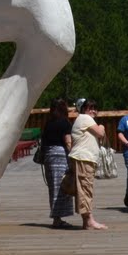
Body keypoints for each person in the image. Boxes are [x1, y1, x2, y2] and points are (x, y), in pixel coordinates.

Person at [67, 100, 108, 230]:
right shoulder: (85, 118)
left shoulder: (82, 119)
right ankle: (89, 220)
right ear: (84, 109)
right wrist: (102, 126)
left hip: (83, 159)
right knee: (85, 189)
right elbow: (100, 133)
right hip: (83, 159)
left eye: (95, 108)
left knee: (84, 189)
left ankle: (87, 220)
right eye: (90, 108)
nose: (93, 111)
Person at [40, 98, 76, 229]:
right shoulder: (65, 123)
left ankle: (56, 218)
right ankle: (57, 218)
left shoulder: (48, 123)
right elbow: (68, 142)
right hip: (60, 156)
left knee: (53, 187)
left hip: (48, 156)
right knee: (62, 186)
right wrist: (73, 156)